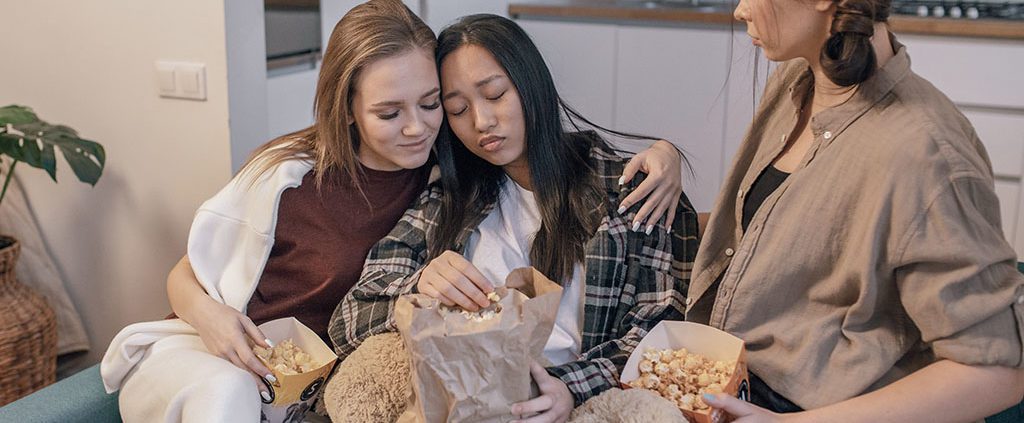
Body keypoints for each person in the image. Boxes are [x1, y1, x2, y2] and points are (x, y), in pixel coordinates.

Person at [100, 1, 685, 421]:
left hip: (537, 393)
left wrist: (668, 152)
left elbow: (658, 327)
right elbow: (199, 271)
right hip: (240, 357)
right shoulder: (319, 177)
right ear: (349, 108)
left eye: (433, 104)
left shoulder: (451, 173)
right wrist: (211, 318)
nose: (433, 125)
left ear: (529, 82)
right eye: (453, 106)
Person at [330, 14, 701, 423]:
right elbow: (350, 321)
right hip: (465, 402)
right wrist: (418, 288)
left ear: (531, 84)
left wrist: (569, 388)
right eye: (456, 109)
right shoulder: (451, 196)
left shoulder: (630, 191)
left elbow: (658, 337)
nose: (481, 122)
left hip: (579, 405)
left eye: (495, 94)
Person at [691, 0, 1024, 421]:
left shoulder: (927, 153)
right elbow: (773, 238)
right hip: (740, 384)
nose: (740, 11)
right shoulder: (799, 80)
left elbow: (995, 372)